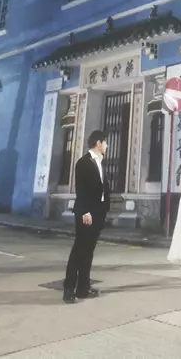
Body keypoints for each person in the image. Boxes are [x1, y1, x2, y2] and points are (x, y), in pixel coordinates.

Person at [63, 130, 110, 304]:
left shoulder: (101, 162)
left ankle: (83, 288)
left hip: (98, 212)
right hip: (86, 213)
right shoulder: (83, 163)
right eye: (105, 142)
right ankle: (69, 289)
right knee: (79, 251)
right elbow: (81, 189)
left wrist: (104, 208)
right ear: (98, 143)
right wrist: (85, 211)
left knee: (89, 251)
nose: (106, 146)